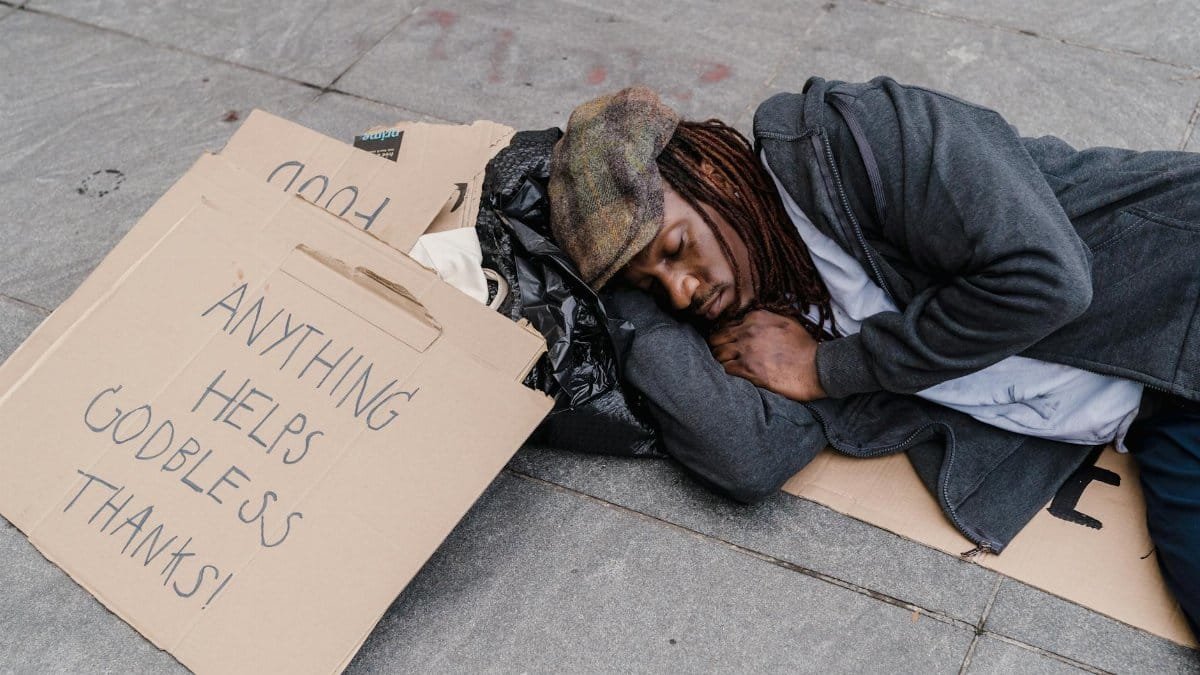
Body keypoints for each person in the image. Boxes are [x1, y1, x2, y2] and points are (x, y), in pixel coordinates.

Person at [545, 80, 1200, 637]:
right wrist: (616, 297)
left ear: (712, 176)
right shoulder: (776, 309)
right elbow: (744, 452)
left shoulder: (860, 139)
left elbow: (1050, 281)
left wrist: (828, 369)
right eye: (656, 285)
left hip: (1178, 289)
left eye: (675, 246)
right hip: (1153, 414)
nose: (684, 290)